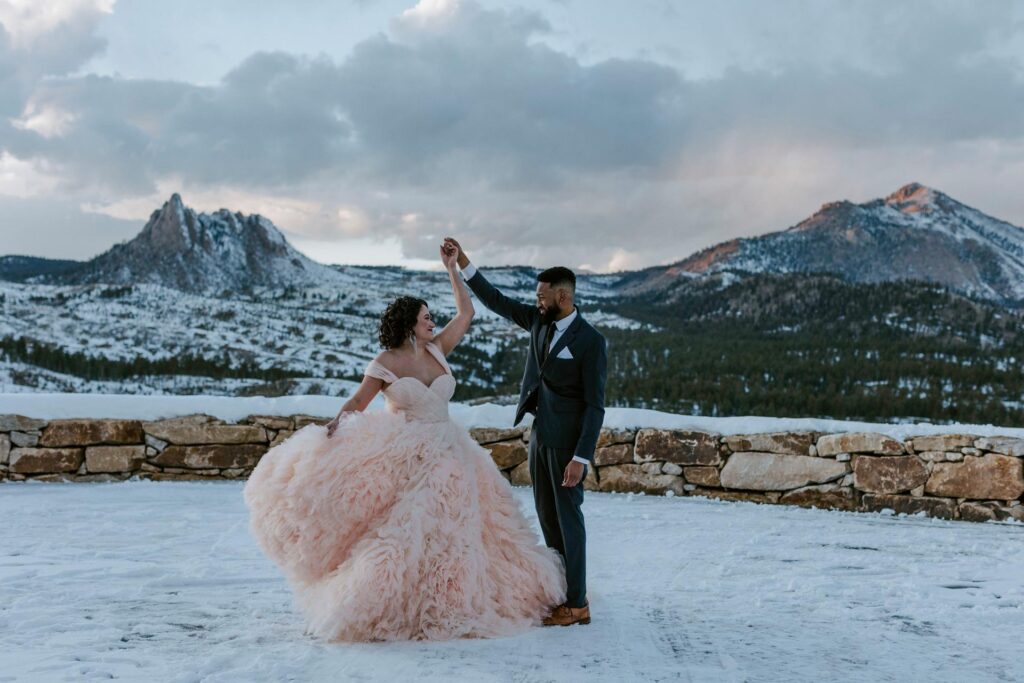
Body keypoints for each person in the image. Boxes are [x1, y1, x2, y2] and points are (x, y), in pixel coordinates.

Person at [242, 242, 566, 642]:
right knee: (409, 530)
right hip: (406, 452)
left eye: (432, 317)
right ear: (409, 323)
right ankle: (398, 604)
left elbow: (466, 312)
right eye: (426, 318)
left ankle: (457, 595)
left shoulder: (438, 349)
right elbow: (359, 402)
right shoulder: (385, 363)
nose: (433, 322)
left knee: (461, 531)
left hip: (450, 449)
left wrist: (452, 268)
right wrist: (331, 429)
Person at [443, 237, 607, 627]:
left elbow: (595, 406)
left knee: (570, 521)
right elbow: (495, 300)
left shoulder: (591, 342)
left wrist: (581, 457)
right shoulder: (538, 321)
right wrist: (463, 262)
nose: (537, 301)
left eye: (542, 296)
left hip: (568, 446)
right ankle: (560, 590)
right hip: (540, 438)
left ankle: (578, 603)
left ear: (563, 297)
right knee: (547, 518)